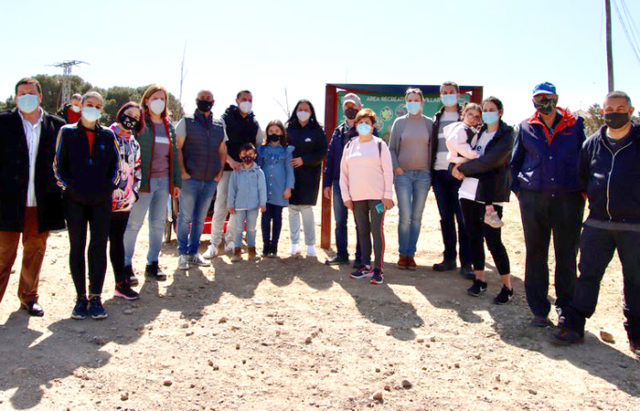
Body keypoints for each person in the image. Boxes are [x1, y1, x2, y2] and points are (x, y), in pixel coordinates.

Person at [552, 91, 640, 358]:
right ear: (602, 113)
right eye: (610, 109)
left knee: (636, 280)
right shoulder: (592, 143)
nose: (615, 113)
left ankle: (636, 333)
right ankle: (574, 325)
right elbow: (582, 179)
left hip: (635, 226)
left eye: (621, 108)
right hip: (598, 223)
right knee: (587, 275)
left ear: (631, 110)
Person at [511, 82, 586, 327]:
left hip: (568, 199)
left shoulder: (575, 125)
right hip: (534, 199)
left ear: (556, 98)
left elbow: (587, 158)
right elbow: (515, 163)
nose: (544, 102)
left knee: (566, 254)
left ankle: (565, 307)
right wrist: (520, 191)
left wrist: (583, 191)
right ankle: (538, 310)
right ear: (533, 101)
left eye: (548, 97)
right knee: (535, 254)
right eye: (539, 98)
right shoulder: (525, 127)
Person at [0, 77, 65, 316]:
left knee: (35, 251)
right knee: (4, 253)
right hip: (8, 201)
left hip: (40, 201)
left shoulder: (56, 125)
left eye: (30, 92)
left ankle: (29, 297)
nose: (25, 97)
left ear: (40, 96)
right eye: (20, 93)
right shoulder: (4, 122)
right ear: (15, 98)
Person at [53, 91, 120, 320]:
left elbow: (116, 168)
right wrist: (70, 189)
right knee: (77, 246)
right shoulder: (67, 132)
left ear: (102, 109)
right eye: (89, 104)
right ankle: (80, 298)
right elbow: (58, 167)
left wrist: (107, 188)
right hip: (75, 202)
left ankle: (96, 297)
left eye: (97, 105)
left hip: (101, 201)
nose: (93, 108)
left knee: (99, 247)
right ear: (81, 106)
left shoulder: (108, 136)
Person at [451, 96, 514, 304]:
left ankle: (507, 286)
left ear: (500, 112)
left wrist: (462, 169)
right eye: (484, 109)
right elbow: (463, 154)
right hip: (468, 193)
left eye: (490, 109)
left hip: (489, 196)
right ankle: (480, 280)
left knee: (494, 241)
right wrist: (456, 167)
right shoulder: (477, 132)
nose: (486, 113)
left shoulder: (505, 135)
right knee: (473, 237)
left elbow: (489, 162)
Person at [123, 85, 181, 283]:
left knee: (157, 224)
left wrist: (176, 182)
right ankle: (125, 265)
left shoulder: (169, 126)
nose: (159, 102)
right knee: (134, 224)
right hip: (143, 182)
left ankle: (152, 263)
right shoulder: (139, 123)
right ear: (146, 100)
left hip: (163, 182)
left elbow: (174, 156)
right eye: (155, 98)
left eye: (162, 98)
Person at [202, 90, 264, 259]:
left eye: (250, 100)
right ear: (236, 100)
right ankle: (214, 243)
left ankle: (230, 241)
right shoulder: (225, 119)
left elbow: (258, 145)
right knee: (221, 205)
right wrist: (231, 161)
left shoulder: (254, 123)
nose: (247, 102)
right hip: (229, 170)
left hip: (245, 173)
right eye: (243, 99)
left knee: (238, 208)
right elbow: (220, 144)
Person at [340, 108, 393, 285]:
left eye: (367, 123)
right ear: (356, 125)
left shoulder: (380, 145)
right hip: (357, 197)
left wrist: (387, 195)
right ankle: (365, 265)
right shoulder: (349, 146)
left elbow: (388, 171)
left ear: (373, 125)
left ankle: (378, 269)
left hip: (377, 198)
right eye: (360, 122)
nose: (364, 125)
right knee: (362, 230)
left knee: (376, 231)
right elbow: (343, 174)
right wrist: (346, 196)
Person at [175, 90, 227, 270]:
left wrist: (219, 173)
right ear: (196, 101)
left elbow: (222, 150)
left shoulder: (219, 124)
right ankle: (182, 254)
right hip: (190, 179)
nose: (205, 101)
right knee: (185, 217)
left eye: (208, 99)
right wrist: (182, 172)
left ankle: (193, 253)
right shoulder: (186, 121)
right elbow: (178, 148)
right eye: (202, 99)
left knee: (199, 219)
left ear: (213, 102)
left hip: (210, 181)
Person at [430, 82, 473, 278]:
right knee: (445, 218)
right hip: (439, 174)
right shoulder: (437, 118)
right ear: (440, 96)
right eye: (444, 93)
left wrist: (463, 167)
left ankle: (466, 263)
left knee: (463, 219)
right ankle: (449, 258)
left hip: (459, 175)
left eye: (451, 92)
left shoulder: (464, 117)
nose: (447, 95)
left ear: (458, 95)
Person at [389, 88, 434, 270]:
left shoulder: (429, 123)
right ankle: (402, 253)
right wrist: (396, 168)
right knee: (405, 215)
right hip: (403, 175)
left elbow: (433, 148)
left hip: (423, 175)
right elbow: (391, 148)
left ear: (422, 102)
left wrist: (430, 171)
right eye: (410, 100)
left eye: (417, 99)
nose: (413, 102)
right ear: (406, 102)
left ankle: (411, 254)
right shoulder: (399, 123)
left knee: (416, 216)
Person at [445, 102, 504, 229]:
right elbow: (460, 146)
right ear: (463, 114)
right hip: (463, 163)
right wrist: (475, 156)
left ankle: (489, 209)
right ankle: (489, 210)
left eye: (477, 116)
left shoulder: (500, 133)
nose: (473, 118)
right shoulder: (461, 129)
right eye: (470, 114)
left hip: (472, 169)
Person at [323, 93, 365, 267]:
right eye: (347, 107)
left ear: (360, 108)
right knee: (340, 221)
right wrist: (326, 184)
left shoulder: (366, 129)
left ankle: (361, 256)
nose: (350, 110)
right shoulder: (339, 131)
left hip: (360, 183)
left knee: (360, 221)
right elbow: (331, 158)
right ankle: (341, 254)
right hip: (339, 182)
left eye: (353, 106)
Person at [108, 102, 143, 301]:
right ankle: (91, 291)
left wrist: (134, 193)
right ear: (121, 113)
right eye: (129, 114)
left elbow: (137, 169)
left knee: (117, 241)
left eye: (136, 117)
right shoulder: (106, 136)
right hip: (103, 199)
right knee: (97, 243)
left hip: (124, 201)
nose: (131, 119)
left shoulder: (134, 143)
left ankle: (120, 284)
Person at [286, 99, 328, 257]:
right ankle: (294, 244)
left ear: (311, 112)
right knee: (292, 210)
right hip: (291, 177)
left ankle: (310, 245)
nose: (303, 112)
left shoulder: (317, 131)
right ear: (296, 111)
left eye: (306, 109)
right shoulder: (289, 129)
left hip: (310, 177)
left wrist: (304, 159)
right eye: (300, 109)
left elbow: (322, 152)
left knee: (306, 209)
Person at [257, 120, 295, 258]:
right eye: (271, 131)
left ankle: (274, 246)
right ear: (267, 132)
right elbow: (258, 169)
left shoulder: (286, 151)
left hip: (280, 190)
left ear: (282, 133)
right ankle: (266, 245)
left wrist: (288, 188)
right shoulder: (262, 150)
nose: (274, 134)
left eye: (277, 131)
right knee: (265, 218)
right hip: (265, 190)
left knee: (277, 218)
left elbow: (289, 170)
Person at [227, 143, 266, 262]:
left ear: (255, 155)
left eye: (250, 154)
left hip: (253, 206)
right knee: (238, 229)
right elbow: (232, 189)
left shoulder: (258, 172)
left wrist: (262, 203)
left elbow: (262, 189)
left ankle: (252, 251)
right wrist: (230, 204)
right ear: (239, 156)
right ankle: (237, 252)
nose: (247, 157)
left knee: (251, 229)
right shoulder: (236, 172)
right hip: (238, 206)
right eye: (244, 154)